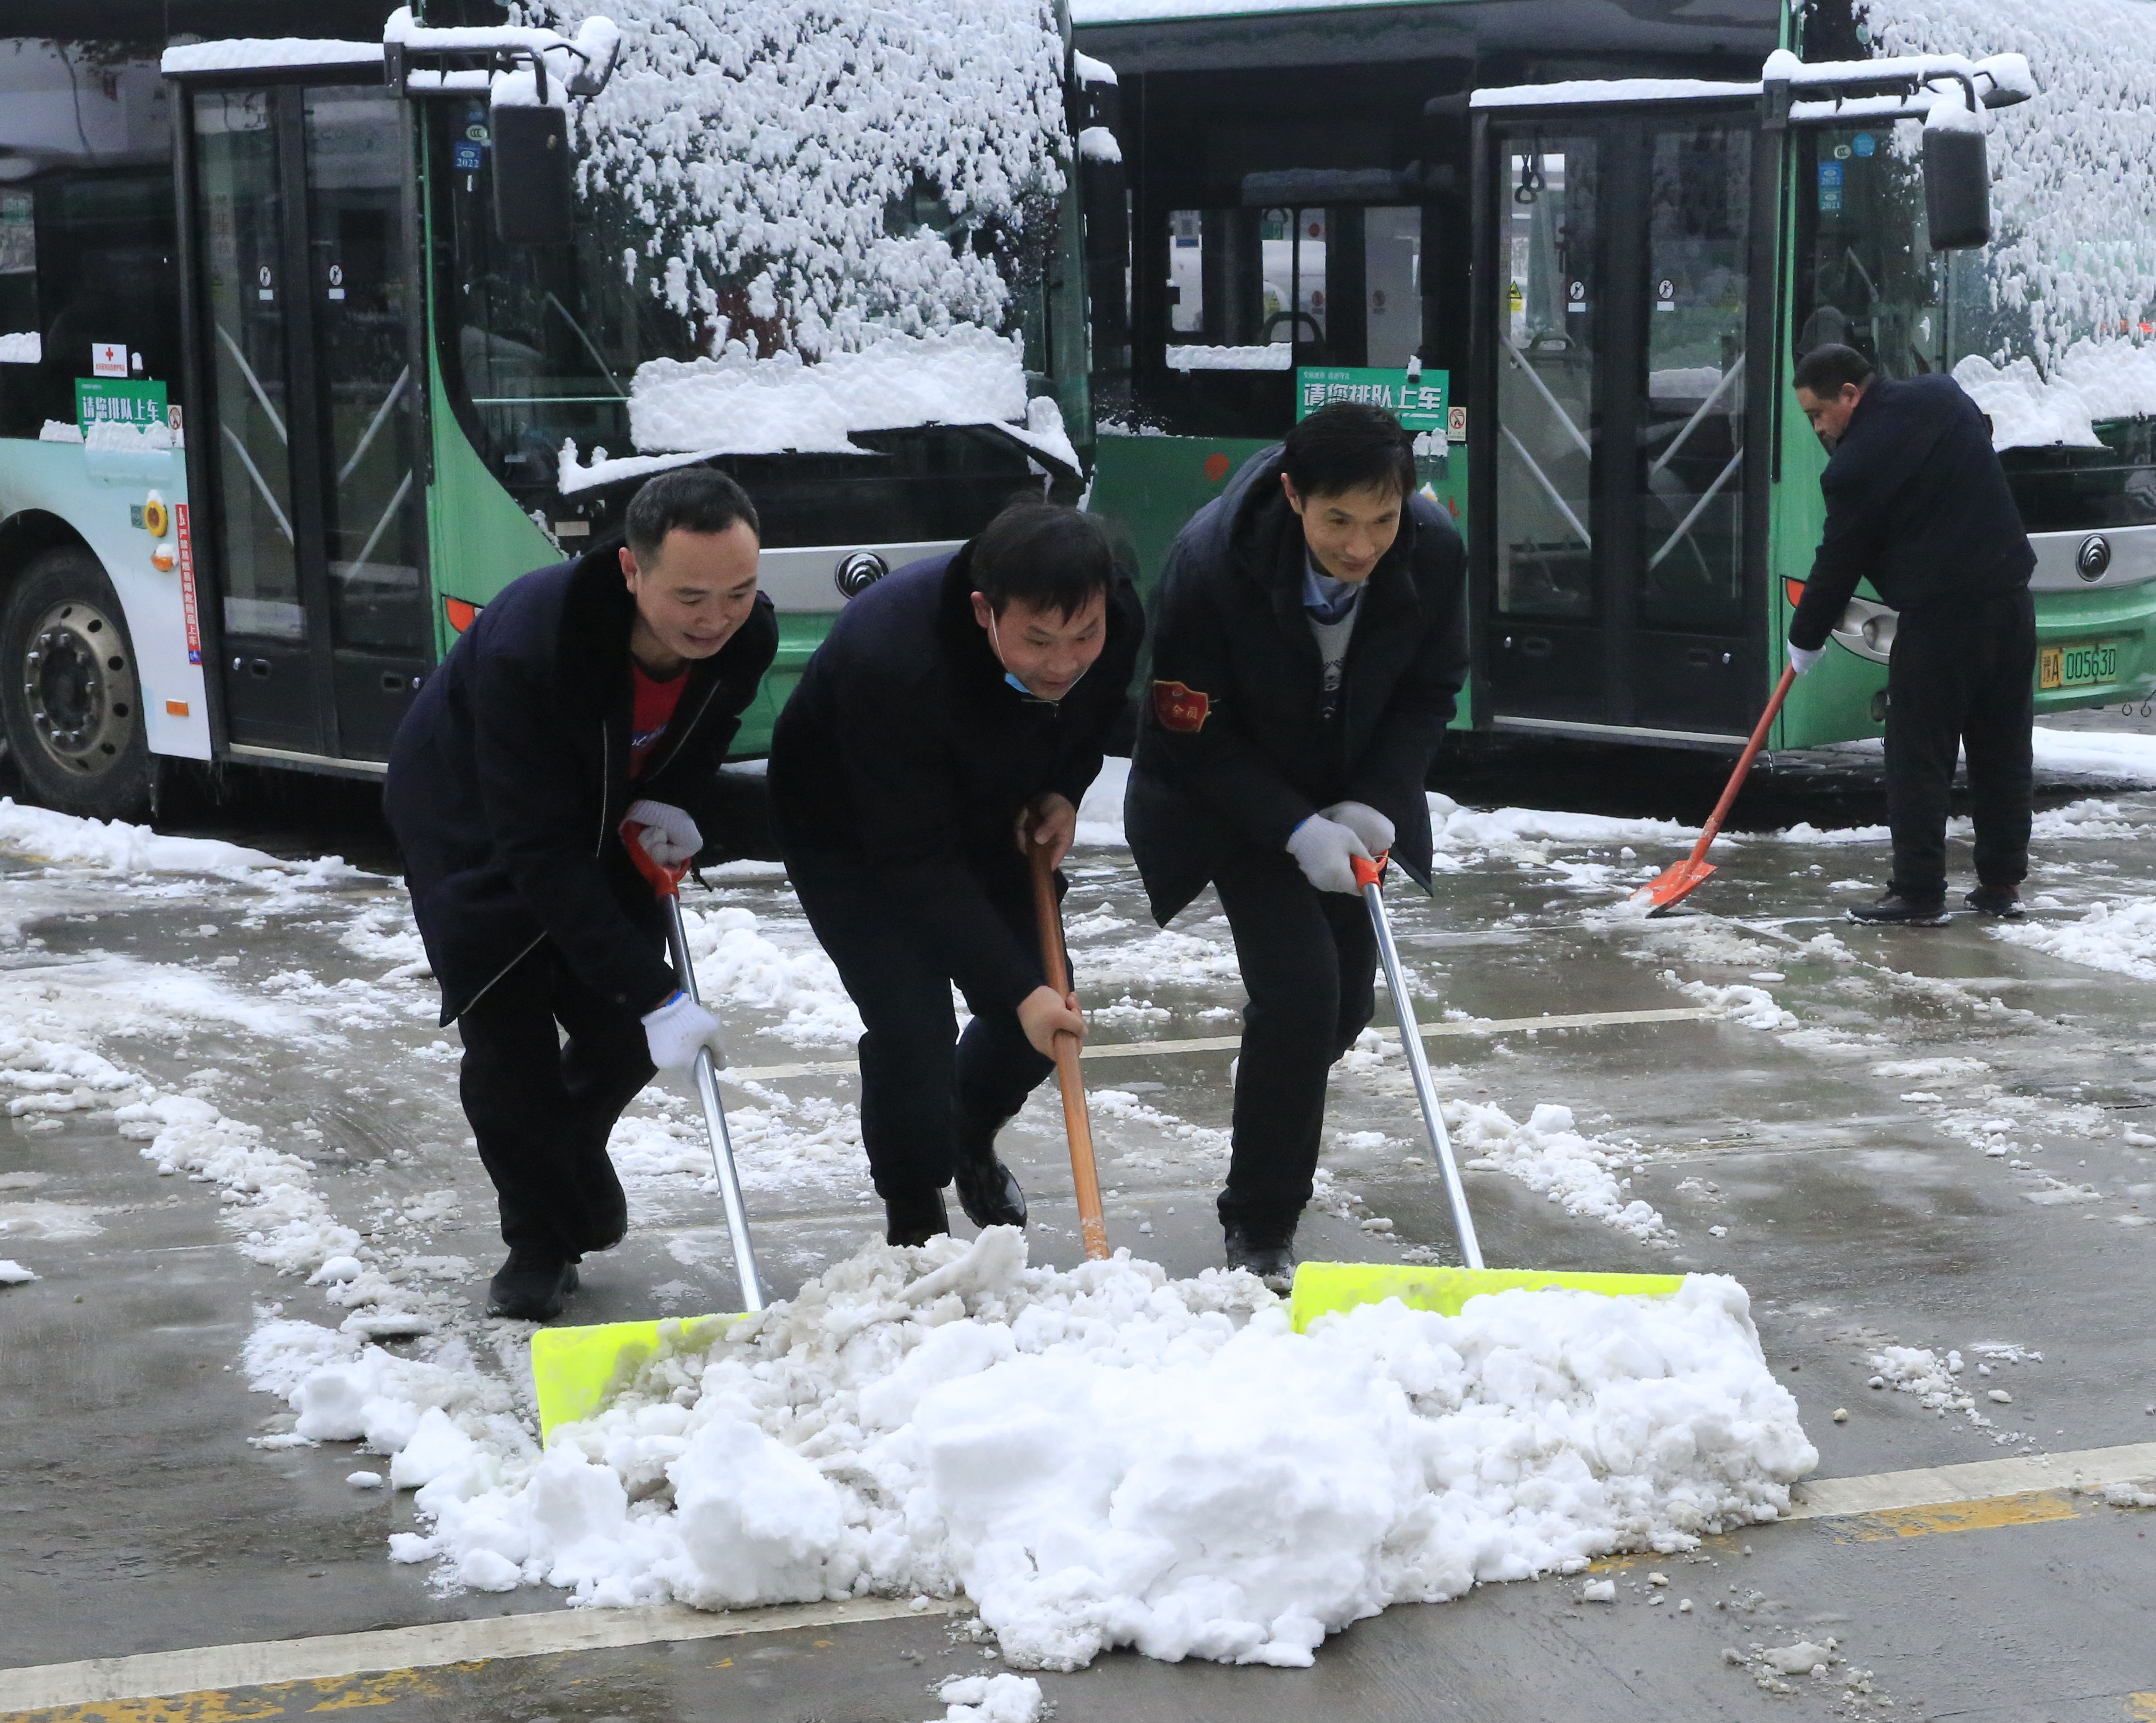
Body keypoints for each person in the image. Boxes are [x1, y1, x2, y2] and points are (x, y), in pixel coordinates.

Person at [387, 467, 775, 1320]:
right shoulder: (541, 642)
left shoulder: (744, 639)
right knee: (510, 1043)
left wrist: (674, 796)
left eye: (740, 591)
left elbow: (696, 738)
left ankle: (562, 1153)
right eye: (692, 596)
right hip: (472, 822)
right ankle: (538, 1242)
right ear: (633, 572)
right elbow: (536, 853)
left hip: (597, 812)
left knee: (626, 1033)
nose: (717, 619)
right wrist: (657, 990)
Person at [1124, 402, 1467, 1290]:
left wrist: (1380, 800)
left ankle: (1275, 1083)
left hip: (1351, 794)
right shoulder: (1211, 567)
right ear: (1292, 496)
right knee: (1301, 992)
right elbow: (1191, 733)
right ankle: (1262, 1223)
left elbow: (1431, 688)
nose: (1363, 546)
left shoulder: (1433, 551)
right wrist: (1293, 826)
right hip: (1235, 800)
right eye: (1339, 522)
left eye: (1384, 519)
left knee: (1341, 1006)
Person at [767, 500, 1141, 1246]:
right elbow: (914, 861)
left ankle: (964, 1131)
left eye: (1084, 635)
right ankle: (914, 1204)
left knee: (1039, 1022)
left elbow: (1091, 714)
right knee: (915, 1031)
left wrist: (1063, 787)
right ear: (984, 610)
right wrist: (1019, 990)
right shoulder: (893, 658)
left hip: (993, 814)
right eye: (1037, 640)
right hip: (851, 834)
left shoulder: (1113, 611)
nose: (1064, 660)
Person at [1782, 342, 2040, 927]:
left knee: (1918, 755)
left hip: (1942, 619)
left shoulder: (1854, 466)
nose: (1819, 427)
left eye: (1817, 413)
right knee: (2003, 750)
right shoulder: (1943, 395)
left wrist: (1806, 638)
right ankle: (2001, 884)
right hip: (2011, 602)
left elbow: (1838, 561)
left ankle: (1919, 891)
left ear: (1850, 395)